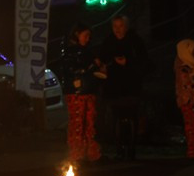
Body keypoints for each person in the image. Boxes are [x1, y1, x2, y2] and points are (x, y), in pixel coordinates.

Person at [97, 15, 151, 159]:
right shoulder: (108, 41)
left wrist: (128, 62)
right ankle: (119, 148)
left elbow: (144, 62)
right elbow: (102, 59)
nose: (118, 30)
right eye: (115, 26)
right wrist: (103, 66)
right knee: (116, 117)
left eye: (120, 26)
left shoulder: (135, 41)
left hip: (131, 85)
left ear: (126, 26)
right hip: (114, 86)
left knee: (131, 116)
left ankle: (132, 148)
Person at [56, 24, 103, 164]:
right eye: (85, 35)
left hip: (88, 91)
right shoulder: (70, 53)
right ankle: (77, 154)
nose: (88, 39)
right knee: (78, 122)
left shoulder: (86, 51)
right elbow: (72, 70)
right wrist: (92, 67)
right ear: (77, 35)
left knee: (89, 122)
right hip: (76, 93)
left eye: (89, 36)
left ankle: (90, 153)